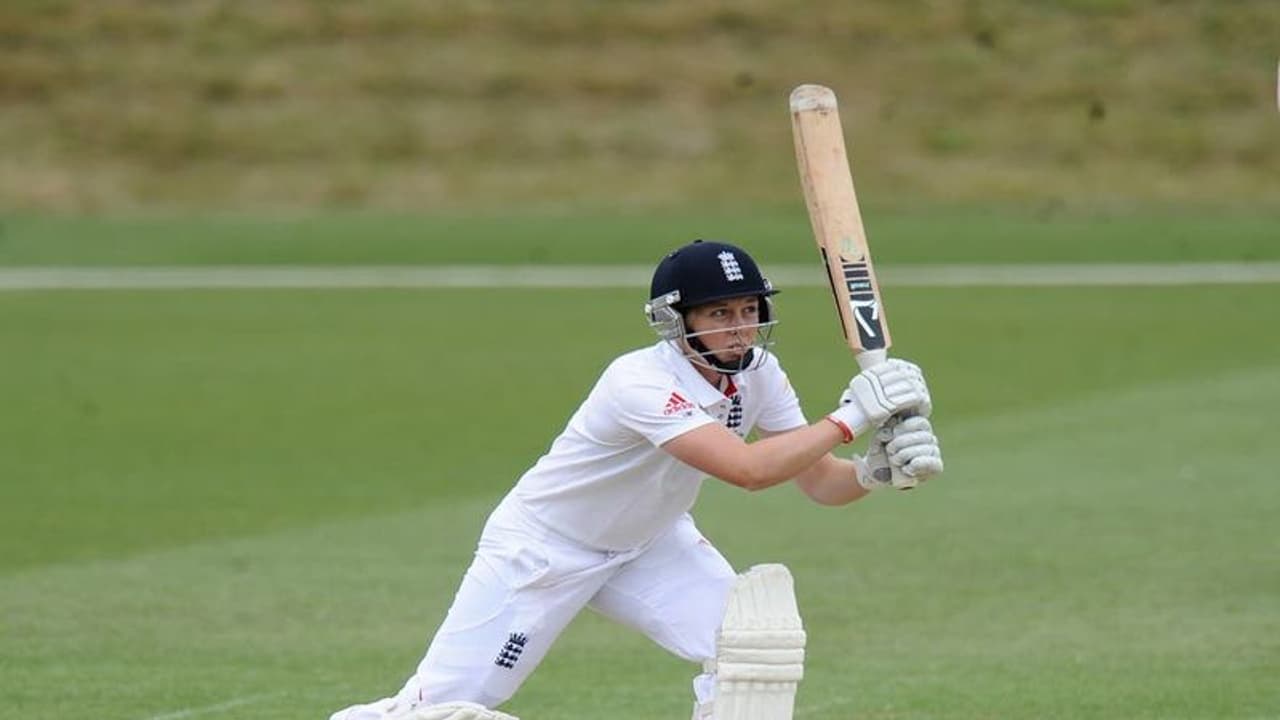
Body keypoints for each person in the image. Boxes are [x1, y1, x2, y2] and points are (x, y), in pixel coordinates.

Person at [329, 240, 943, 720]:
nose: (740, 327)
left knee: (752, 650)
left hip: (650, 545)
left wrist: (871, 471)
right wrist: (852, 417)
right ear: (677, 320)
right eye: (720, 313)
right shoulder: (639, 381)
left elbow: (818, 483)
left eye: (749, 310)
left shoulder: (760, 372)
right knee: (445, 708)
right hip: (542, 550)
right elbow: (749, 472)